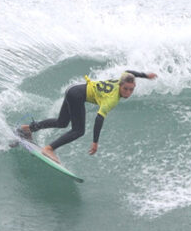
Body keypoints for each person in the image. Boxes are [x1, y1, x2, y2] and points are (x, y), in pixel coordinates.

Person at [18, 70, 158, 164]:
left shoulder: (121, 79)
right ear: (120, 85)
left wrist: (144, 76)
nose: (128, 92)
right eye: (125, 89)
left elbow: (129, 72)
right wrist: (95, 142)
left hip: (73, 89)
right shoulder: (112, 99)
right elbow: (99, 118)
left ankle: (27, 129)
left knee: (62, 122)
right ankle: (49, 149)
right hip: (77, 95)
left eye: (131, 90)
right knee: (78, 131)